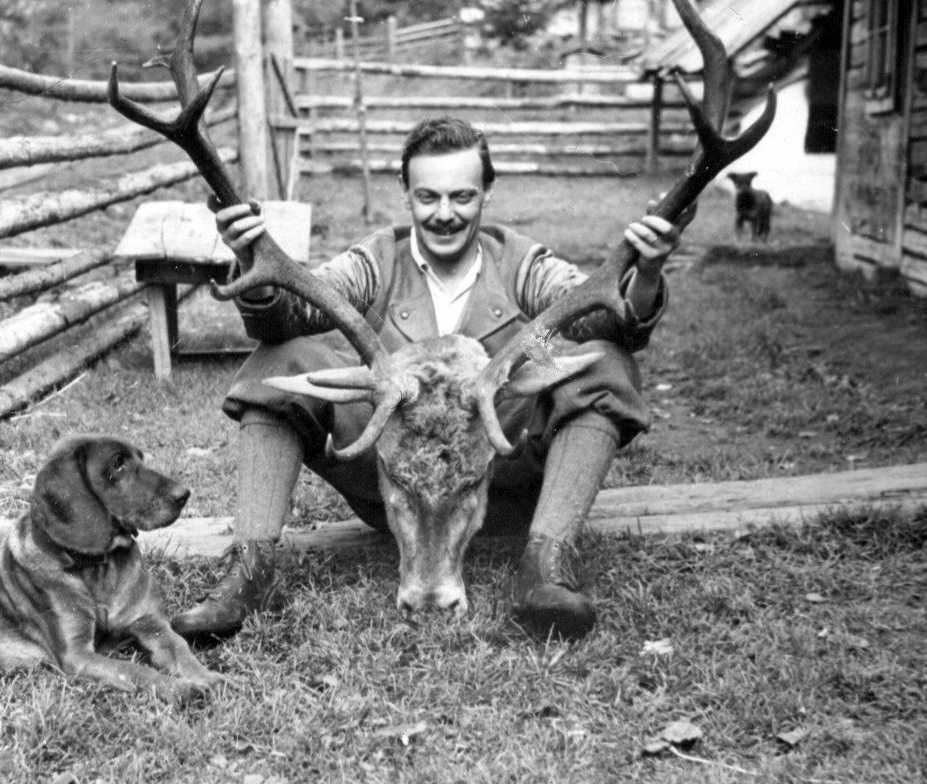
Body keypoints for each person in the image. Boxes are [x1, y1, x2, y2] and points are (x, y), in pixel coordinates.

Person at [170, 116, 684, 641]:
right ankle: (247, 574)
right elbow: (288, 320)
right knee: (284, 358)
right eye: (427, 197)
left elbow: (602, 325)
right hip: (388, 480)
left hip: (502, 474)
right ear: (406, 193)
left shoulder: (520, 266)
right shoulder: (376, 264)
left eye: (462, 196)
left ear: (487, 192)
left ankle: (545, 568)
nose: (444, 214)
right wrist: (250, 262)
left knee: (601, 359)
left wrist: (643, 275)